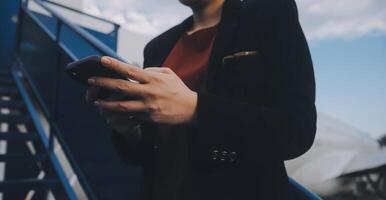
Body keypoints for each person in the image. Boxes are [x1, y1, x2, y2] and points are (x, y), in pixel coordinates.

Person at [85, 0, 317, 199]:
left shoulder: (269, 12)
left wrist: (195, 109)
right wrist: (129, 131)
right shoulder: (157, 47)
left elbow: (297, 129)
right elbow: (149, 152)